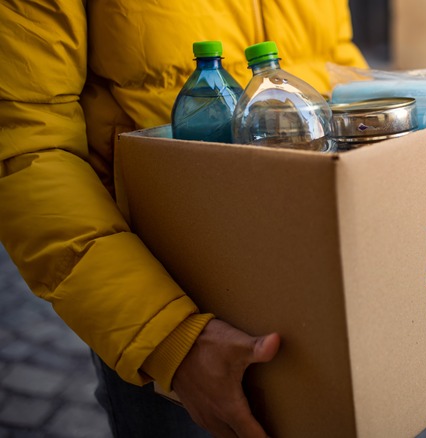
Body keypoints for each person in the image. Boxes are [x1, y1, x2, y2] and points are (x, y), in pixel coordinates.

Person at [0, 0, 367, 436]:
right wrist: (170, 339)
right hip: (175, 292)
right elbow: (27, 147)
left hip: (317, 259)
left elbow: (338, 65)